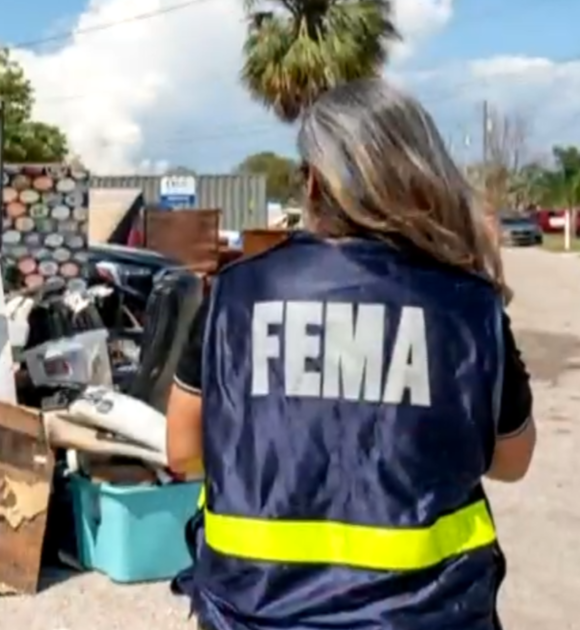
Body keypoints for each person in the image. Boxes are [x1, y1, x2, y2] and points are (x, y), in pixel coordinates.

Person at [165, 78, 536, 630]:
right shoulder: (469, 304)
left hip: (251, 614)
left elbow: (182, 449)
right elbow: (512, 460)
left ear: (312, 183)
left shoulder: (236, 293)